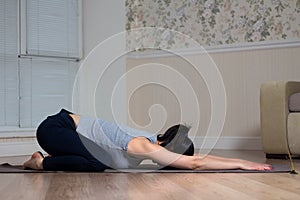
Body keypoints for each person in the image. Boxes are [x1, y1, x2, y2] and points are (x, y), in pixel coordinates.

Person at [23, 109, 272, 171]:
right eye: (174, 157)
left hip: (68, 134)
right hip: (56, 127)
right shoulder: (141, 145)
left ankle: (54, 158)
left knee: (102, 162)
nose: (171, 163)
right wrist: (242, 163)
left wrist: (238, 159)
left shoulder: (145, 150)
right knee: (99, 164)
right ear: (165, 145)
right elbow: (196, 163)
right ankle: (39, 163)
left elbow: (197, 159)